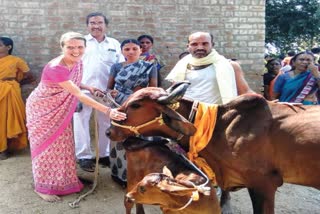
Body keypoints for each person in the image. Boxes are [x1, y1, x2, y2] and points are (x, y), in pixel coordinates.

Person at [25, 32, 126, 202]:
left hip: (60, 110)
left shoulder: (77, 62)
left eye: (80, 47)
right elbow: (78, 94)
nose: (76, 51)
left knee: (63, 146)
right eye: (70, 47)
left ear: (85, 48)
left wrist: (90, 87)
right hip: (43, 109)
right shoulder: (56, 67)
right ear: (62, 48)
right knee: (46, 148)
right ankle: (42, 187)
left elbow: (73, 82)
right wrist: (108, 111)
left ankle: (63, 181)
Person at [165, 31, 254, 212]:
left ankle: (222, 199)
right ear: (188, 46)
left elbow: (245, 91)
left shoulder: (229, 66)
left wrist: (265, 104)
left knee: (217, 163)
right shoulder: (183, 65)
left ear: (212, 44)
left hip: (217, 123)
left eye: (204, 44)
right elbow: (173, 92)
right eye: (195, 44)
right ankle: (190, 200)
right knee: (185, 162)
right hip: (186, 123)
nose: (200, 47)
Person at [73, 12, 125, 172]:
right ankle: (83, 156)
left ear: (105, 25)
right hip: (83, 90)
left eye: (99, 22)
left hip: (106, 92)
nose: (96, 26)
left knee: (105, 122)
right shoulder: (80, 42)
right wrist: (78, 87)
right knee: (80, 122)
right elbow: (72, 65)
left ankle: (104, 154)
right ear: (87, 25)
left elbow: (121, 67)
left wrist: (116, 88)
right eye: (92, 23)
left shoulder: (114, 44)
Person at [107, 39, 158, 187]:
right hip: (120, 107)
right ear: (122, 51)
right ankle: (120, 175)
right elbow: (108, 89)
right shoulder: (116, 67)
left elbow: (153, 89)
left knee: (141, 141)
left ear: (140, 51)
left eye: (134, 49)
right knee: (119, 140)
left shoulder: (149, 66)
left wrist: (139, 95)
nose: (131, 52)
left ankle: (143, 175)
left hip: (140, 108)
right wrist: (113, 93)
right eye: (127, 49)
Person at [0, 37, 32, 160]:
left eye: (0, 45)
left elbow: (30, 75)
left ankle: (4, 149)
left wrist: (15, 83)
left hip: (9, 91)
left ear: (8, 47)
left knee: (5, 120)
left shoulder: (16, 60)